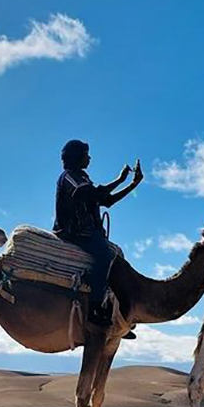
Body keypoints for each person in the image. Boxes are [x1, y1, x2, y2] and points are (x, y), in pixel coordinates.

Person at [53, 139, 144, 327]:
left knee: (116, 257)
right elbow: (97, 196)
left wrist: (131, 183)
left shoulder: (82, 178)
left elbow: (105, 200)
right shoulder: (70, 178)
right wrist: (121, 180)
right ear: (78, 157)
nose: (89, 158)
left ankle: (115, 311)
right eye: (86, 154)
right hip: (75, 233)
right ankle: (94, 308)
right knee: (104, 256)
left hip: (89, 233)